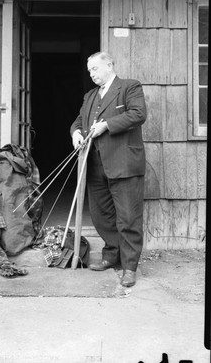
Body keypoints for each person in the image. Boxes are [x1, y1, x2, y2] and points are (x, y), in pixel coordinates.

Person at [70, 51, 147, 287]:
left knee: (127, 217)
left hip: (124, 164)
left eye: (95, 69)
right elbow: (80, 121)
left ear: (109, 65)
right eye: (89, 71)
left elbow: (138, 114)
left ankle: (129, 267)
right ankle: (111, 256)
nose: (92, 74)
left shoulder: (129, 87)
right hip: (95, 166)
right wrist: (75, 133)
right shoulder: (90, 95)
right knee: (101, 216)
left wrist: (106, 125)